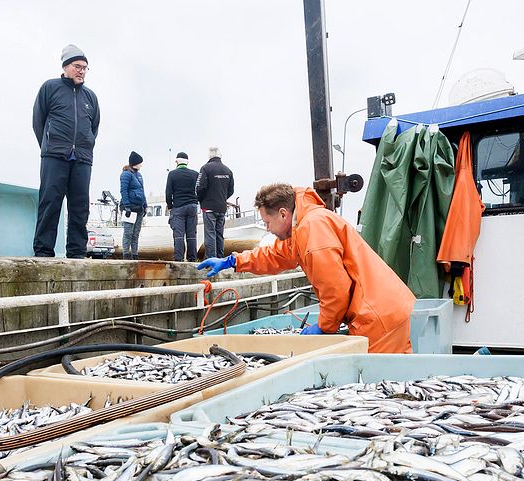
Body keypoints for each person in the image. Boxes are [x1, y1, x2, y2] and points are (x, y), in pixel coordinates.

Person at [198, 184, 416, 353]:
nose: (267, 228)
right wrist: (233, 262)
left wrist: (325, 327)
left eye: (267, 222)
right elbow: (275, 255)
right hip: (379, 309)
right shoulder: (302, 226)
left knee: (379, 389)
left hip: (377, 315)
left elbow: (335, 289)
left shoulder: (313, 228)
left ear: (283, 214)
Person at [32, 44, 100, 258]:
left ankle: (77, 252)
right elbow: (38, 122)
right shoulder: (49, 88)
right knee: (50, 202)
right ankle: (43, 251)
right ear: (66, 66)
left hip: (82, 159)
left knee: (80, 207)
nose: (82, 71)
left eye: (85, 67)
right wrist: (49, 145)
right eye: (78, 66)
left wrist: (85, 145)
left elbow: (94, 127)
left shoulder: (91, 97)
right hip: (54, 155)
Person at [195, 147, 234, 258]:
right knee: (219, 234)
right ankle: (220, 259)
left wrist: (201, 199)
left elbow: (199, 187)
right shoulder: (228, 170)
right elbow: (231, 190)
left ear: (209, 156)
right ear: (220, 156)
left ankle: (211, 260)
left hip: (208, 207)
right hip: (221, 207)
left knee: (210, 234)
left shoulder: (205, 169)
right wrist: (222, 198)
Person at [165, 152, 199, 261]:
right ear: (187, 162)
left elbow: (168, 192)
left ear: (176, 162)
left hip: (178, 207)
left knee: (179, 235)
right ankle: (192, 258)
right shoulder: (195, 174)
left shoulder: (172, 174)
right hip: (192, 207)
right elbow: (199, 190)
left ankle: (179, 259)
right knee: (191, 235)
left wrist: (170, 205)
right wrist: (195, 201)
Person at [120, 151, 147, 260]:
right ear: (135, 163)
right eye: (140, 162)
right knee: (128, 233)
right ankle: (126, 255)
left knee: (136, 233)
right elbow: (123, 191)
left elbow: (142, 191)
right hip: (130, 208)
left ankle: (135, 255)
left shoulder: (139, 175)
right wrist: (126, 206)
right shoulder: (126, 174)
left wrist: (145, 205)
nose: (141, 165)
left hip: (139, 208)